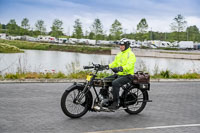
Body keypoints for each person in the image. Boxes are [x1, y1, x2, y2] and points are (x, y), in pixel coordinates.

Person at [106, 38, 136, 110]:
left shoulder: (131, 55)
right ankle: (107, 98)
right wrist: (107, 66)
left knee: (115, 83)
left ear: (127, 45)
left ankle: (116, 103)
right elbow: (114, 63)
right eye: (120, 45)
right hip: (119, 74)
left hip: (128, 75)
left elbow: (129, 66)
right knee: (105, 80)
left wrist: (120, 68)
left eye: (123, 45)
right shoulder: (119, 54)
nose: (121, 47)